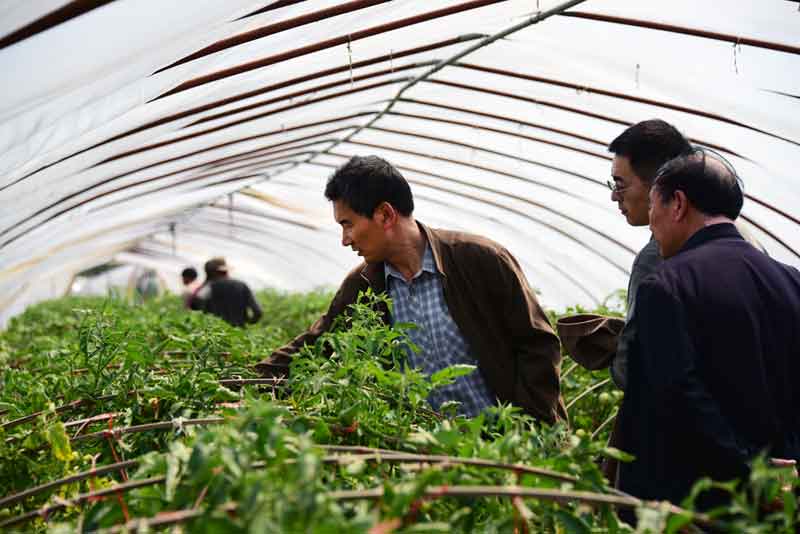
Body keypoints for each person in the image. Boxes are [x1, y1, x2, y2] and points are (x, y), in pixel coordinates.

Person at [256, 155, 566, 423]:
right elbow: (316, 345)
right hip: (431, 455)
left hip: (509, 451)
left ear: (386, 215)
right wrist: (241, 384)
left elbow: (538, 345)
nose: (345, 239)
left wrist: (528, 427)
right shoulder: (363, 285)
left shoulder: (479, 260)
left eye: (348, 224)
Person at [617, 148, 800, 509]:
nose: (652, 223)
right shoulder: (791, 282)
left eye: (654, 207)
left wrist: (748, 469)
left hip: (698, 503)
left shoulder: (667, 285)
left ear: (678, 204)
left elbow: (677, 395)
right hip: (784, 498)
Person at [192, 257, 262, 327]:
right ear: (225, 271)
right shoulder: (242, 286)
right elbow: (258, 312)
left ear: (210, 273)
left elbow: (194, 305)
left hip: (215, 330)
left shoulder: (208, 287)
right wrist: (247, 322)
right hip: (238, 332)